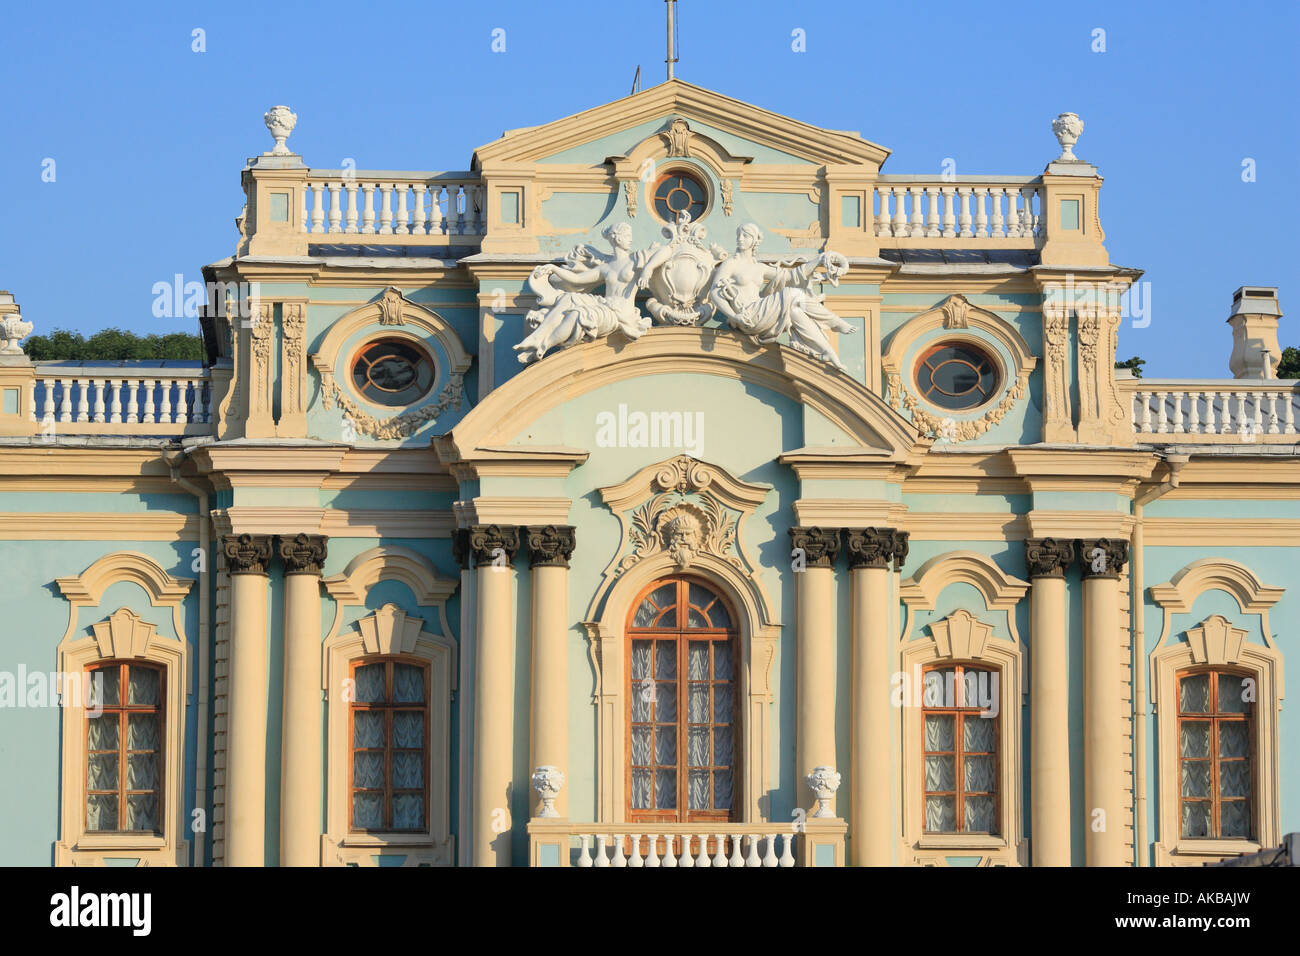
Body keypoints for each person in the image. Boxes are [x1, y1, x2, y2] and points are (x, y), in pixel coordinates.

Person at [515, 222, 672, 363]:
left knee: (577, 315)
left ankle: (542, 347)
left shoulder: (636, 259)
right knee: (569, 298)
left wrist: (648, 269)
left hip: (621, 313)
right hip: (605, 305)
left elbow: (666, 250)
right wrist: (553, 268)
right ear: (617, 239)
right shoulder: (607, 267)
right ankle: (536, 338)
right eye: (627, 236)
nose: (630, 239)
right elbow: (577, 279)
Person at [707, 222, 855, 370]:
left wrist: (819, 260)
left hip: (760, 312)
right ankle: (835, 322)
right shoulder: (730, 264)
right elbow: (715, 292)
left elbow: (790, 276)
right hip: (747, 315)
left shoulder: (758, 267)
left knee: (795, 311)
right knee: (791, 294)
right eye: (739, 235)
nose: (740, 238)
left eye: (745, 236)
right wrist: (733, 316)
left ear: (754, 241)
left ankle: (827, 351)